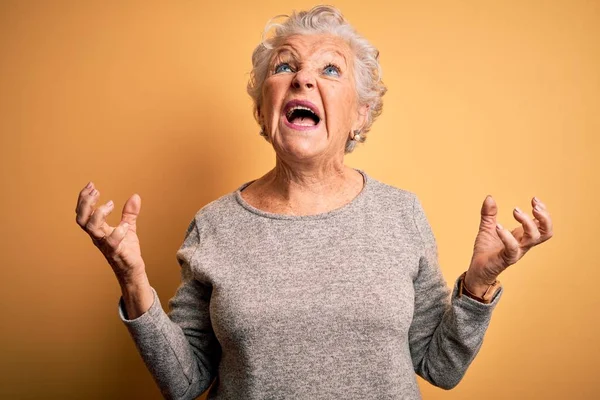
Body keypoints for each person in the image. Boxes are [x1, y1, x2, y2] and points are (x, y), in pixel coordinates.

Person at [75, 5, 553, 400]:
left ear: (360, 114)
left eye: (329, 69)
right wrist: (132, 280)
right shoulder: (214, 224)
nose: (303, 79)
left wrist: (478, 286)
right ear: (263, 108)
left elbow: (439, 367)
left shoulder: (401, 214)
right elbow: (184, 382)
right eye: (285, 66)